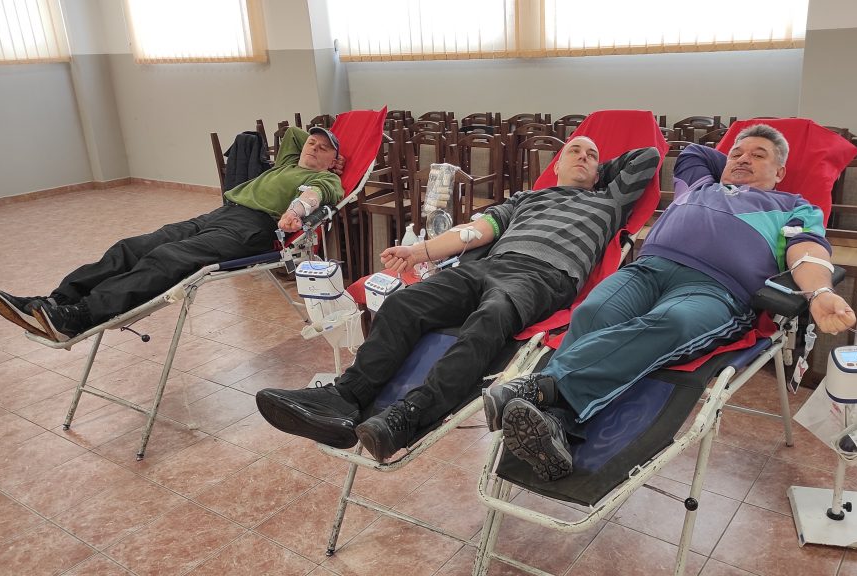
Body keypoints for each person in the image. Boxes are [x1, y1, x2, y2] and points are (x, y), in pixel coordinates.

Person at [482, 124, 857, 482]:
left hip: (716, 288)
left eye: (759, 156)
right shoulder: (699, 182)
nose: (743, 159)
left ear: (781, 172)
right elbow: (695, 152)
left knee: (672, 322)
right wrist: (738, 164)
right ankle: (556, 426)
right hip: (647, 271)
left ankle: (544, 388)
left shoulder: (792, 205)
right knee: (593, 312)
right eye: (736, 153)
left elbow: (807, 253)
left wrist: (820, 292)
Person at [256, 136, 662, 462]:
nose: (583, 157)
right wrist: (418, 251)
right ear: (554, 165)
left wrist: (596, 173)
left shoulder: (608, 201)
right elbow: (477, 232)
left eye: (592, 155)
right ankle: (345, 397)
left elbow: (647, 156)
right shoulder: (526, 199)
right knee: (404, 303)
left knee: (490, 319)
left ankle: (409, 416)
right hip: (491, 264)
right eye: (574, 151)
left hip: (545, 276)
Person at [0, 126, 344, 342]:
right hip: (220, 214)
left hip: (253, 227)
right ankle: (54, 302)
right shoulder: (288, 162)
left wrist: (295, 211)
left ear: (333, 161)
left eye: (324, 148)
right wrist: (323, 140)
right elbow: (296, 134)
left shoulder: (325, 177)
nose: (313, 147)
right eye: (312, 143)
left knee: (169, 258)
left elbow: (317, 196)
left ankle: (80, 315)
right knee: (132, 247)